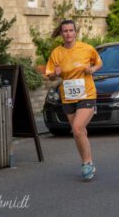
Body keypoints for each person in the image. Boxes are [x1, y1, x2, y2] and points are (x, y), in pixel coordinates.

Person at [46, 19, 103, 181]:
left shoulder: (87, 49)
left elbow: (99, 63)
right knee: (80, 133)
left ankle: (86, 163)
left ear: (75, 32)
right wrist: (55, 74)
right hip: (68, 97)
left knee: (77, 128)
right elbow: (50, 76)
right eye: (65, 31)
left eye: (71, 30)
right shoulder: (56, 52)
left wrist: (91, 69)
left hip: (87, 94)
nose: (68, 34)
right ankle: (89, 161)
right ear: (61, 33)